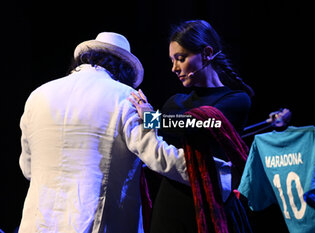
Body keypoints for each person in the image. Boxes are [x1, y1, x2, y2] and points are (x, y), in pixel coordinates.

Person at [18, 32, 189, 233]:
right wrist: (216, 173)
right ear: (125, 69)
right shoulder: (127, 97)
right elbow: (157, 156)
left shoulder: (37, 96)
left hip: (38, 225)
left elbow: (27, 169)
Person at [130, 20, 254, 233]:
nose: (174, 68)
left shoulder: (236, 100)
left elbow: (199, 124)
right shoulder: (176, 101)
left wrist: (152, 119)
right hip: (170, 205)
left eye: (181, 58)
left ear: (207, 53)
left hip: (213, 205)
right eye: (172, 61)